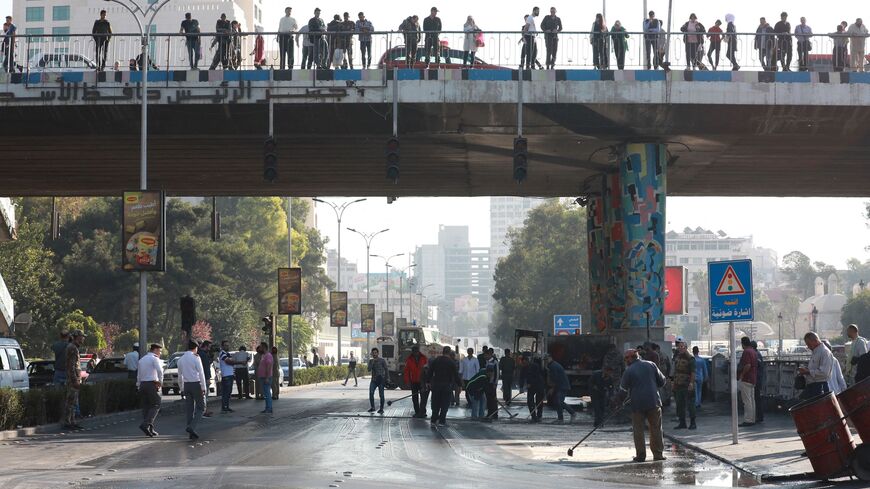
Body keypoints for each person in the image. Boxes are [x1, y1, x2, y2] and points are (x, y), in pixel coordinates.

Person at [620, 349, 666, 463]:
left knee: (638, 430)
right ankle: (658, 454)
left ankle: (641, 456)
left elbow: (623, 391)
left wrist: (617, 403)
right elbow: (662, 381)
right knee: (656, 428)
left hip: (638, 404)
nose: (625, 361)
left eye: (626, 358)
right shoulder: (651, 365)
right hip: (654, 402)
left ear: (632, 357)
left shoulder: (629, 371)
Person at [426, 346, 462, 427]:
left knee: (436, 403)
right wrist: (459, 385)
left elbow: (430, 371)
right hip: (447, 386)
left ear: (443, 352)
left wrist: (428, 382)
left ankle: (433, 421)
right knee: (444, 404)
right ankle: (442, 421)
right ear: (449, 352)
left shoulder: (436, 360)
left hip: (436, 385)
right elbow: (456, 375)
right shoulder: (451, 362)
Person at [178, 340, 207, 440]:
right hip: (196, 384)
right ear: (196, 348)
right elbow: (201, 373)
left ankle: (191, 432)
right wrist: (203, 387)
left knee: (190, 409)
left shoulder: (180, 359)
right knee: (201, 407)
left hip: (186, 385)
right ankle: (191, 427)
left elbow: (180, 376)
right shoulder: (196, 358)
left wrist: (181, 388)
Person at [137, 343, 163, 437]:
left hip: (143, 384)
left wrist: (138, 385)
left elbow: (139, 375)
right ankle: (145, 425)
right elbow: (160, 371)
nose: (160, 353)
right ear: (155, 350)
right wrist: (160, 382)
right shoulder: (154, 358)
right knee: (157, 404)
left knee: (147, 407)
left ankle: (150, 429)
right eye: (160, 351)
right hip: (152, 384)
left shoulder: (142, 360)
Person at [62, 330, 86, 430]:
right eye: (82, 336)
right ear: (77, 337)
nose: (83, 338)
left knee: (73, 401)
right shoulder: (72, 348)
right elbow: (71, 366)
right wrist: (75, 380)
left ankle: (72, 421)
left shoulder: (74, 347)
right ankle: (68, 422)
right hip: (72, 380)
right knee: (71, 401)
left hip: (74, 378)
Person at [799, 332, 834, 399]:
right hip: (812, 386)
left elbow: (824, 373)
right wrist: (806, 370)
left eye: (809, 344)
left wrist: (808, 371)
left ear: (815, 341)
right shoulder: (816, 352)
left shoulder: (824, 352)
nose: (808, 347)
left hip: (820, 387)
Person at [671, 337, 696, 430]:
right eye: (679, 346)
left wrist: (691, 384)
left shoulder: (690, 358)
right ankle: (682, 423)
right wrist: (673, 383)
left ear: (686, 347)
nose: (680, 348)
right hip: (678, 385)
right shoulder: (677, 358)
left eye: (682, 346)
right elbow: (675, 372)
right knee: (679, 405)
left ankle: (693, 423)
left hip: (687, 385)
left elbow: (693, 372)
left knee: (690, 405)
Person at [736, 336, 757, 427]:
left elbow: (747, 365)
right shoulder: (753, 351)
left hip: (746, 378)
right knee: (752, 400)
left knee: (746, 401)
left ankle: (748, 420)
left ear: (743, 343)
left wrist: (742, 374)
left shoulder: (746, 352)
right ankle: (752, 418)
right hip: (753, 378)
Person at [548, 356, 576, 423]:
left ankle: (572, 413)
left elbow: (555, 378)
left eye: (547, 359)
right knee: (557, 401)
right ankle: (560, 418)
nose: (546, 361)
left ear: (550, 358)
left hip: (562, 386)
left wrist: (552, 388)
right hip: (560, 386)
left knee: (559, 401)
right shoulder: (553, 365)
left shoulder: (553, 366)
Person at [404, 345, 429, 418]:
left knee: (423, 397)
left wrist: (427, 380)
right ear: (412, 352)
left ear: (418, 351)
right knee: (415, 397)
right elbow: (406, 371)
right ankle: (417, 411)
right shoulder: (409, 359)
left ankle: (422, 412)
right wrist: (407, 381)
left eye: (417, 352)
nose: (416, 353)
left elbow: (427, 370)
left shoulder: (424, 358)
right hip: (413, 381)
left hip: (422, 381)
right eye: (414, 352)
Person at [218, 340, 238, 413]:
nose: (227, 346)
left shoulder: (228, 354)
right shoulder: (222, 353)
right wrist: (237, 362)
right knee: (226, 392)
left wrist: (233, 361)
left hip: (230, 374)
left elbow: (232, 361)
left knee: (228, 392)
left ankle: (227, 406)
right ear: (222, 346)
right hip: (226, 375)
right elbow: (228, 361)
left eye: (228, 345)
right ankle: (224, 407)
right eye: (225, 345)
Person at [524, 356, 546, 422]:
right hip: (533, 387)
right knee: (532, 401)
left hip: (538, 385)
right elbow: (522, 377)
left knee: (537, 401)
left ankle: (537, 416)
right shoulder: (525, 367)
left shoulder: (534, 366)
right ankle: (535, 416)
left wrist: (530, 383)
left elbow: (536, 376)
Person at [368, 348, 388, 414]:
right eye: (373, 353)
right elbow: (368, 369)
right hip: (373, 380)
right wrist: (372, 363)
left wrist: (387, 378)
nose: (374, 354)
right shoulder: (371, 361)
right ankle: (372, 407)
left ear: (378, 353)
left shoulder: (382, 360)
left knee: (381, 395)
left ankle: (381, 408)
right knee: (371, 393)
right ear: (372, 354)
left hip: (381, 380)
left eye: (375, 353)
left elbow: (386, 369)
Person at [257, 342, 274, 414]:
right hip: (262, 377)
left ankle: (269, 409)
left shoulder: (268, 355)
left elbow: (269, 366)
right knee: (265, 393)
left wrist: (267, 377)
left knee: (267, 393)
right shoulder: (263, 355)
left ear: (264, 347)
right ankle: (267, 408)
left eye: (260, 347)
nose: (259, 348)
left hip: (266, 377)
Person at [198, 340, 214, 417]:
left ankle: (204, 410)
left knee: (203, 395)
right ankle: (203, 411)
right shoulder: (203, 355)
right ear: (206, 346)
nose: (210, 349)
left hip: (200, 377)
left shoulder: (199, 354)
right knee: (204, 395)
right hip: (204, 377)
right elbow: (206, 367)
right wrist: (208, 378)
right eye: (209, 347)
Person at [751, 340, 765, 423]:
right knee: (756, 398)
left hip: (757, 379)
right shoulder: (757, 354)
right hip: (758, 378)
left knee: (757, 398)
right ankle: (758, 416)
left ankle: (759, 416)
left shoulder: (756, 355)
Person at [483, 348, 499, 418]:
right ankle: (490, 413)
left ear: (489, 354)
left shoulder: (494, 362)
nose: (484, 357)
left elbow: (497, 373)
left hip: (492, 383)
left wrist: (495, 383)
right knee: (488, 399)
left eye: (485, 355)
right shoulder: (487, 362)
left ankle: (495, 413)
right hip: (487, 383)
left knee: (493, 399)